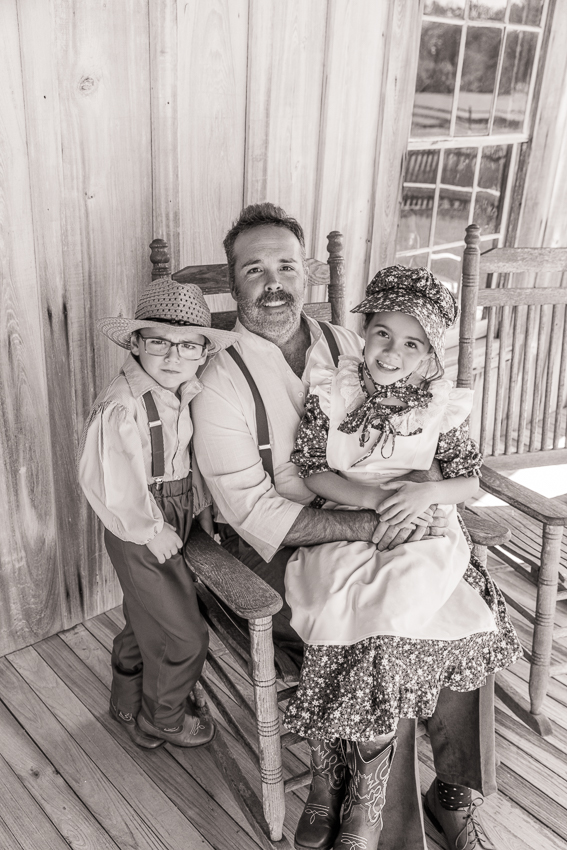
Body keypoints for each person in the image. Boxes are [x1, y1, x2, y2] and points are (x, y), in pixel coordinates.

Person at [191, 203, 500, 850]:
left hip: (377, 517)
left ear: (306, 271)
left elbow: (421, 431)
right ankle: (356, 803)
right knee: (390, 628)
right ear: (233, 279)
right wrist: (367, 523)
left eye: (284, 265)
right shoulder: (220, 383)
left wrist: (421, 501)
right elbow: (252, 512)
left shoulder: (348, 342)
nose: (272, 282)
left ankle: (451, 790)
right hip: (280, 539)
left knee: (465, 596)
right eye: (253, 269)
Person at [283, 265, 522, 850]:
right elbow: (315, 467)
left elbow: (468, 482)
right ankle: (346, 784)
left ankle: (450, 794)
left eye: (411, 342)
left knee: (456, 617)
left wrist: (423, 494)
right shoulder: (330, 385)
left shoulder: (440, 406)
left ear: (429, 357)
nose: (392, 350)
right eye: (382, 333)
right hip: (348, 527)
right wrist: (377, 501)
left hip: (424, 527)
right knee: (365, 623)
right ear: (363, 333)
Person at [78, 277, 239, 749]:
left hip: (174, 510)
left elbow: (182, 459)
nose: (173, 357)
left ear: (204, 351)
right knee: (185, 636)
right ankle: (162, 718)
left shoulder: (177, 390)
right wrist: (150, 530)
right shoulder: (123, 405)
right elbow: (109, 479)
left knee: (145, 618)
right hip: (142, 524)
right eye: (159, 343)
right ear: (135, 343)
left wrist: (199, 506)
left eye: (189, 346)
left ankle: (127, 700)